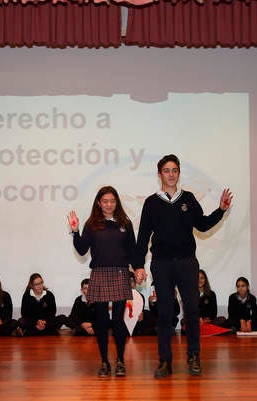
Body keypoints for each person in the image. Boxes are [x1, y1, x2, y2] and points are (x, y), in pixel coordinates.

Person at [134, 154, 233, 378]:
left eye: (175, 170)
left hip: (187, 263)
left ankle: (194, 355)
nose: (171, 174)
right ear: (159, 174)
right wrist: (138, 265)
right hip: (161, 264)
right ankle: (165, 360)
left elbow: (203, 224)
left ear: (179, 173)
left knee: (192, 310)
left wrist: (221, 210)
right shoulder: (151, 202)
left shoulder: (188, 198)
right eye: (167, 170)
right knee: (165, 313)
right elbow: (142, 237)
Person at [69, 185, 138, 377]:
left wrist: (138, 268)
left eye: (112, 201)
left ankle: (121, 361)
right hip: (99, 274)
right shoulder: (92, 224)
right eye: (105, 201)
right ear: (99, 203)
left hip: (120, 273)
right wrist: (75, 232)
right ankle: (105, 362)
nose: (109, 205)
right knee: (100, 322)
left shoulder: (125, 222)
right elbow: (82, 250)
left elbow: (132, 250)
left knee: (117, 320)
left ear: (117, 202)